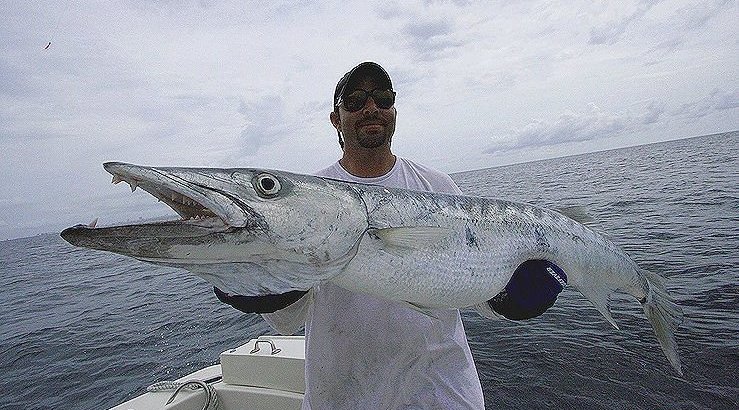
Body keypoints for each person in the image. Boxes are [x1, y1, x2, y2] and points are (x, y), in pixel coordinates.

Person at [216, 62, 486, 409]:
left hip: (442, 395)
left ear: (394, 112)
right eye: (355, 101)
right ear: (336, 118)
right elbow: (287, 321)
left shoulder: (438, 188)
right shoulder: (305, 198)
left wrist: (511, 297)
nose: (371, 108)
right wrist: (268, 284)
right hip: (342, 398)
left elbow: (476, 291)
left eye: (383, 98)